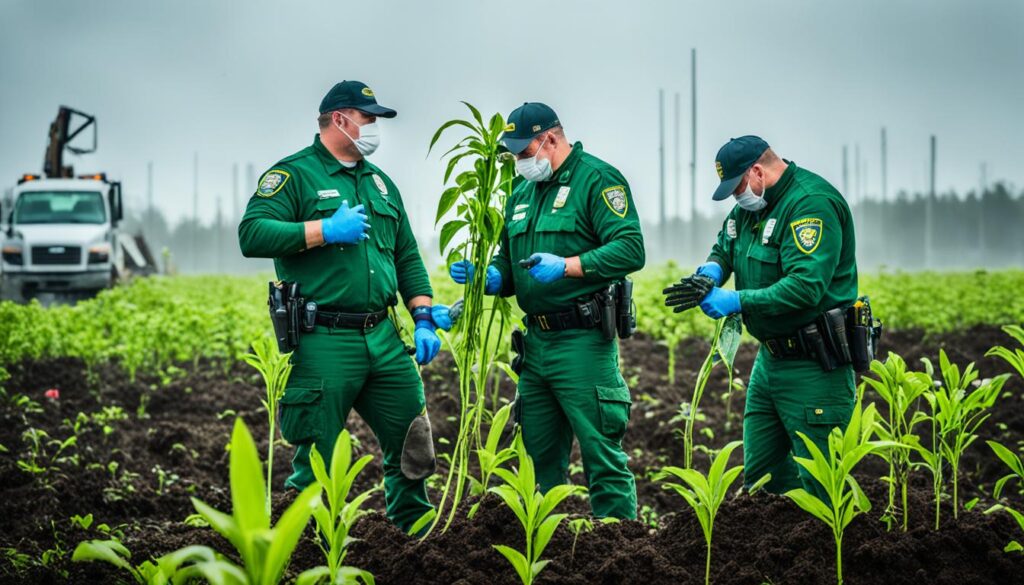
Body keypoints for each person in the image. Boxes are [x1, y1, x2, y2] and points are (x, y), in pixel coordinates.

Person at [238, 80, 449, 531]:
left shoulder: (380, 183)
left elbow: (407, 255)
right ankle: (309, 548)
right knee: (317, 454)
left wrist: (424, 316)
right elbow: (251, 234)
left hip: (383, 336)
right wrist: (323, 231)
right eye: (368, 118)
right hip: (324, 338)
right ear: (340, 119)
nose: (374, 127)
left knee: (413, 441)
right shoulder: (294, 175)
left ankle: (416, 540)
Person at [450, 102, 645, 519]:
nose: (520, 162)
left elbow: (631, 248)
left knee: (600, 453)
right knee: (537, 456)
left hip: (582, 342)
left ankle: (621, 547)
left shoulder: (597, 180)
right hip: (535, 345)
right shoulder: (521, 193)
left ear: (550, 139)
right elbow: (507, 259)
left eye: (524, 152)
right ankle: (548, 544)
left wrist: (569, 267)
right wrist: (490, 278)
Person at [667, 135, 858, 498]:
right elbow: (725, 247)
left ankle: (828, 553)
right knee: (761, 482)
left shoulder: (810, 204)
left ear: (757, 171)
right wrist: (709, 273)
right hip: (769, 362)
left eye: (738, 187)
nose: (737, 197)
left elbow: (805, 287)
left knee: (823, 487)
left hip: (815, 365)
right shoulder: (750, 208)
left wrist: (735, 300)